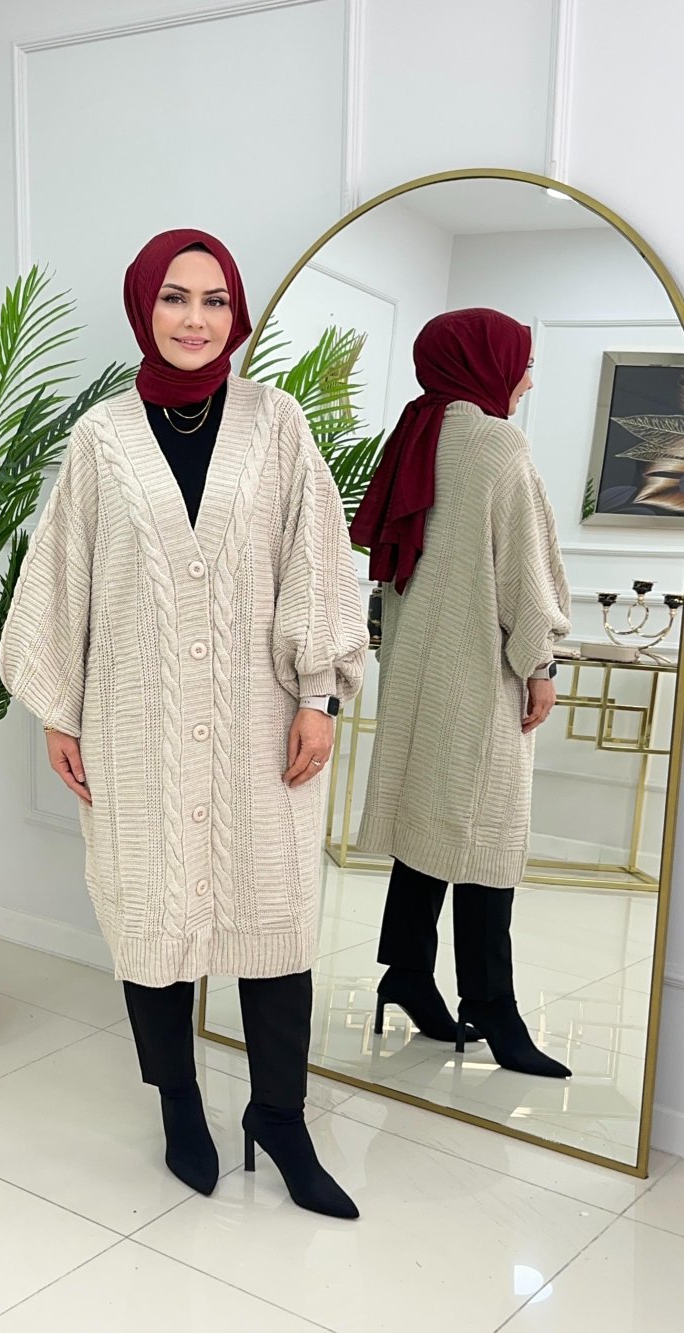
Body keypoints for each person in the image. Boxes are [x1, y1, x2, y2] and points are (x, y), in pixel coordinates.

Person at [0, 229, 369, 1216]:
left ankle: (280, 1117)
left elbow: (317, 561)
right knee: (151, 917)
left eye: (214, 300)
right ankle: (178, 1102)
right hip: (135, 723)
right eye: (174, 297)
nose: (195, 319)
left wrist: (318, 696)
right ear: (143, 307)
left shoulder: (277, 423)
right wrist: (60, 712)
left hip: (262, 726)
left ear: (234, 314)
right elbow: (63, 577)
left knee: (274, 918)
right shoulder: (101, 438)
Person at [351, 307, 572, 1079]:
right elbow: (526, 571)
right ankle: (492, 1005)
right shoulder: (496, 443)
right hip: (480, 672)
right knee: (486, 835)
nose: (528, 380)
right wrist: (540, 664)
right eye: (522, 362)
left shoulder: (417, 431)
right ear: (485, 361)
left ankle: (407, 972)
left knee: (431, 817)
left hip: (417, 670)